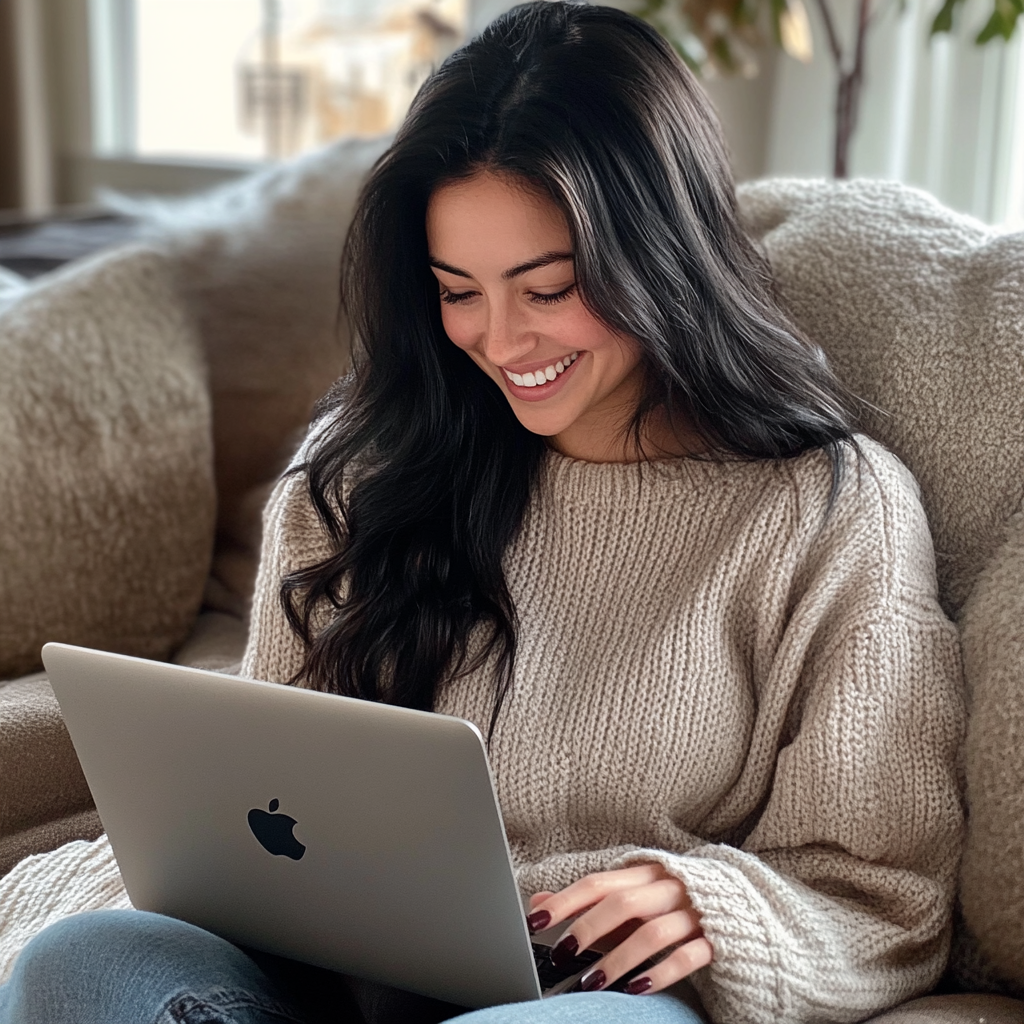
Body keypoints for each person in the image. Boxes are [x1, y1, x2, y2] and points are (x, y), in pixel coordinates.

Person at [0, 3, 965, 1023]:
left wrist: (711, 907)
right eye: (457, 289)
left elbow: (881, 891)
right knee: (82, 970)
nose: (500, 341)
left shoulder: (826, 510)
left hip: (581, 990)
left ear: (662, 256)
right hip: (323, 970)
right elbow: (258, 810)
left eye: (545, 288)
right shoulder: (362, 471)